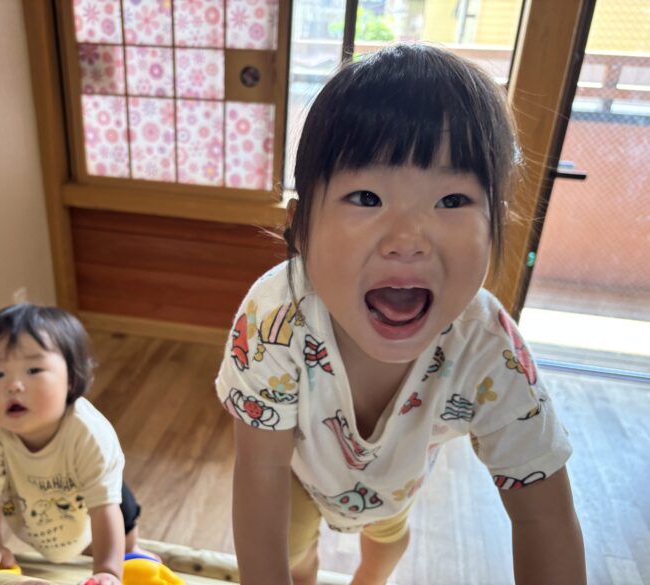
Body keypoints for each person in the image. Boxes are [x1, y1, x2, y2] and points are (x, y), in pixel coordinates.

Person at [216, 43, 586, 585]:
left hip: (396, 483)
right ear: (300, 227)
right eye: (367, 197)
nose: (408, 240)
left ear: (496, 225)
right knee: (292, 552)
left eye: (452, 200)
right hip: (295, 473)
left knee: (386, 541)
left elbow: (544, 515)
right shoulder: (276, 320)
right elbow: (260, 471)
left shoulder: (488, 348)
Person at [0, 304, 147, 585]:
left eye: (33, 369)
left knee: (121, 504)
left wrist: (108, 571)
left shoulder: (88, 433)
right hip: (32, 506)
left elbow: (104, 509)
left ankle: (131, 551)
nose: (13, 386)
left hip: (91, 500)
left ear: (71, 379)